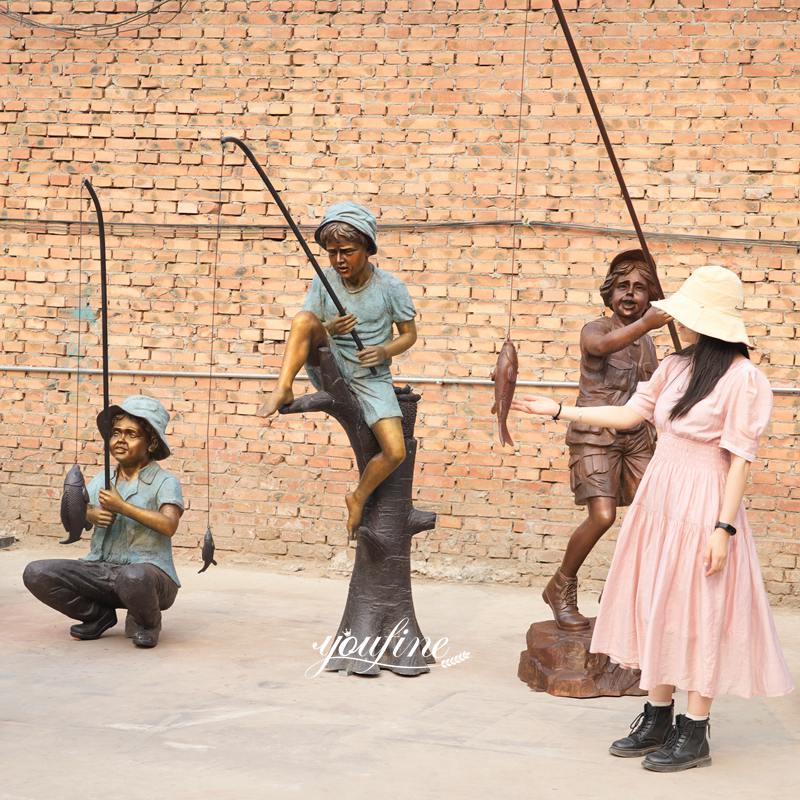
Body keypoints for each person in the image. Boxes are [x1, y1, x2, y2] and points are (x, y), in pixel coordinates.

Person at [512, 265, 793, 772]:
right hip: (660, 501)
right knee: (659, 603)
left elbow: (738, 461)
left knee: (701, 612)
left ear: (707, 324)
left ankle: (696, 729)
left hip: (704, 503)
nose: (677, 323)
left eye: (687, 316)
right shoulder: (675, 368)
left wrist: (723, 530)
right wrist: (558, 410)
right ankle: (657, 714)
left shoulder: (743, 379)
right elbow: (628, 415)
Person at [259, 201, 417, 536]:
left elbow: (409, 335)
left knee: (395, 450)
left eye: (347, 251)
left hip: (371, 376)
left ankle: (358, 496)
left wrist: (383, 350)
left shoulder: (390, 287)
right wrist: (332, 328)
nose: (339, 260)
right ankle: (283, 385)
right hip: (330, 363)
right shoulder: (325, 280)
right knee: (303, 319)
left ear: (367, 248)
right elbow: (309, 325)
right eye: (332, 253)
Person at [544, 250, 671, 629]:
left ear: (651, 297)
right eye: (622, 286)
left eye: (640, 288)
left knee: (656, 512)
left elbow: (655, 389)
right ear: (609, 292)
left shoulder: (646, 343)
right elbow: (600, 349)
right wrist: (647, 324)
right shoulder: (596, 329)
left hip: (636, 435)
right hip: (595, 434)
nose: (630, 294)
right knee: (603, 515)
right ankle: (560, 587)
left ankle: (619, 589)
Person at [23, 395, 184, 649]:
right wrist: (89, 513)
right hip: (101, 570)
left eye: (131, 434)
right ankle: (98, 615)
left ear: (151, 442)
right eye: (116, 432)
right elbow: (75, 510)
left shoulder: (165, 482)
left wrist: (123, 507)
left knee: (133, 577)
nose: (120, 440)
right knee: (37, 573)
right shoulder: (104, 478)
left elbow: (169, 525)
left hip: (148, 576)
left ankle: (147, 623)